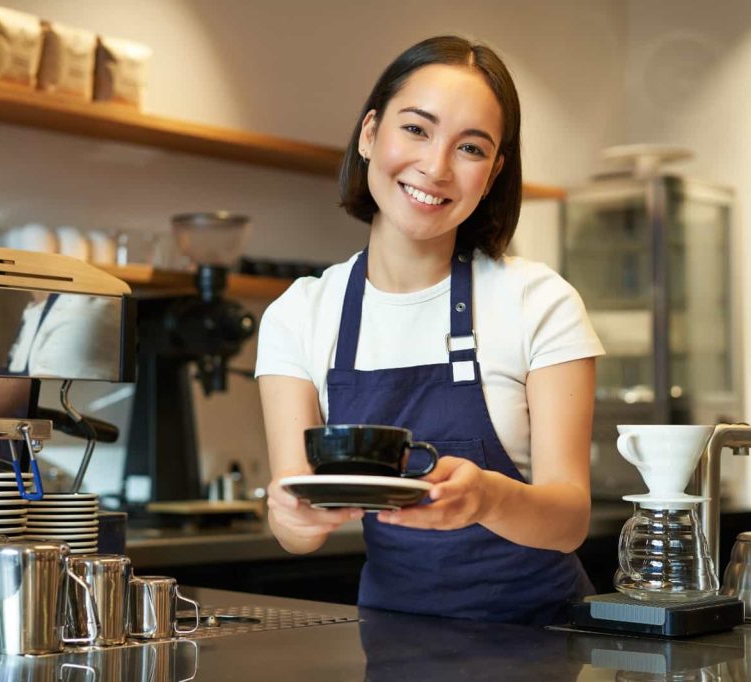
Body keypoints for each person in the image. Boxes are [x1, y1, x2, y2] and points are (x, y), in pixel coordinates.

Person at [255, 35, 605, 625]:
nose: (436, 167)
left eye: (470, 147)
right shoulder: (299, 314)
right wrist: (292, 517)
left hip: (541, 639)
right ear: (370, 134)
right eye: (416, 129)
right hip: (393, 639)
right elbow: (295, 527)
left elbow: (569, 520)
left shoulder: (540, 301)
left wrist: (489, 498)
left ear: (492, 174)